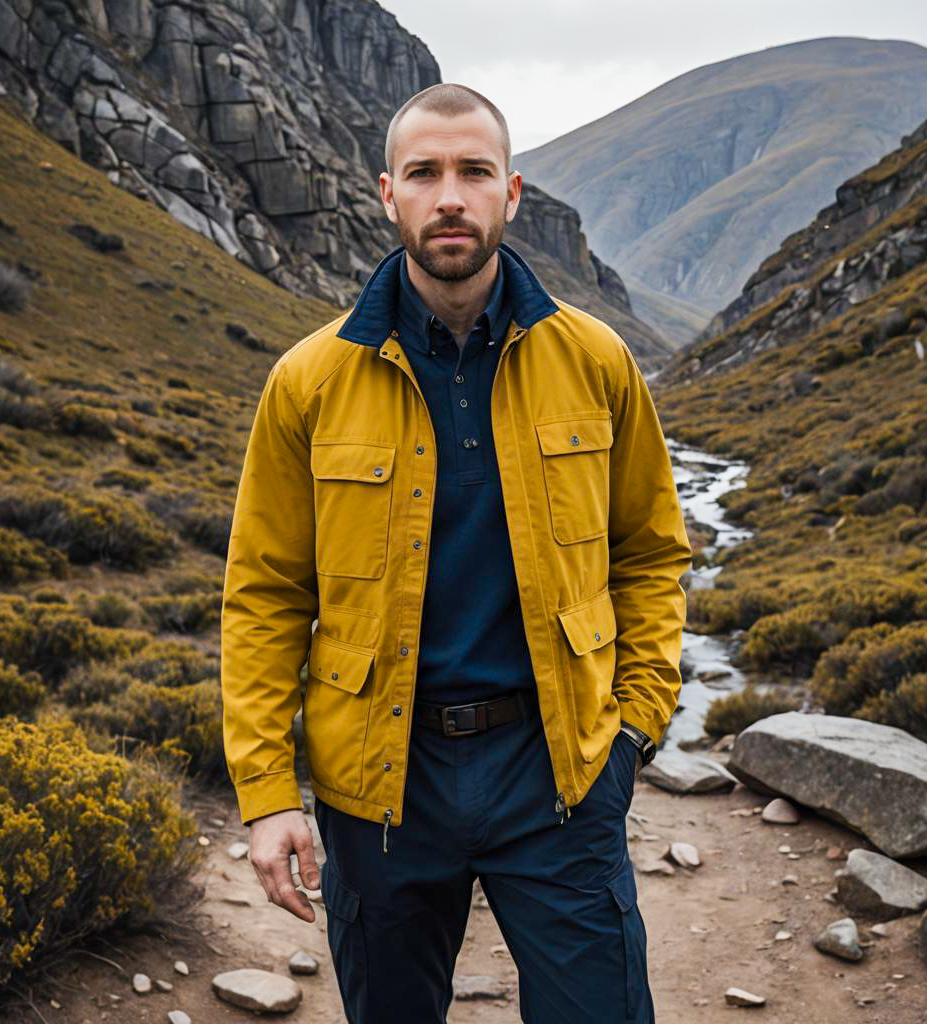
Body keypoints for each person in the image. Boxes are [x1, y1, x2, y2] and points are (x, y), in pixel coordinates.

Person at [220, 81, 693, 1023]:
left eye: (473, 171)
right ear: (386, 192)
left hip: (557, 771)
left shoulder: (596, 361)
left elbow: (651, 553)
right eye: (424, 173)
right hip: (379, 783)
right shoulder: (308, 382)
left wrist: (634, 724)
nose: (450, 196)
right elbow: (266, 594)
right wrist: (269, 791)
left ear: (511, 194)